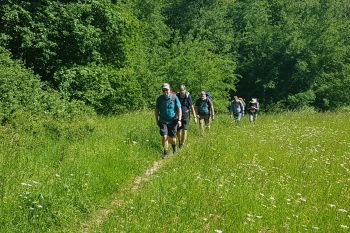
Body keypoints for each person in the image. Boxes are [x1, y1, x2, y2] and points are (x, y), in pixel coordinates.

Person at [155, 83, 182, 159]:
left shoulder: (174, 97)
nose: (165, 91)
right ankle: (165, 153)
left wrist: (179, 120)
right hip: (163, 121)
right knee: (164, 136)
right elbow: (156, 110)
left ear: (169, 90)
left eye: (166, 90)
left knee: (173, 139)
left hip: (173, 121)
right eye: (163, 90)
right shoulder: (159, 99)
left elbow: (179, 109)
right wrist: (157, 120)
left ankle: (174, 148)